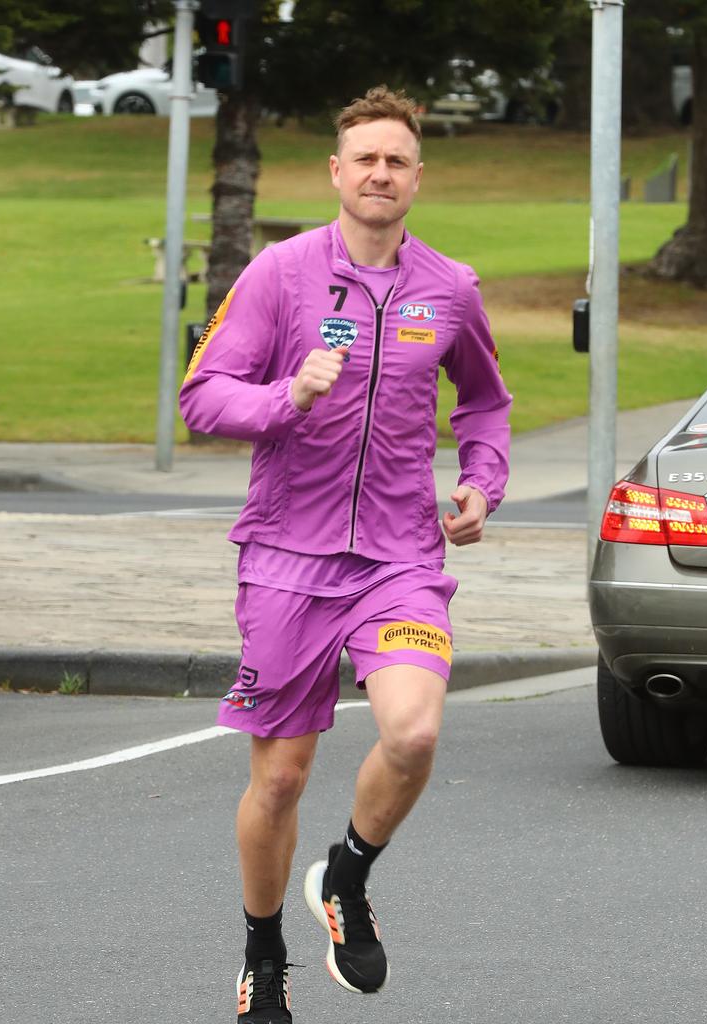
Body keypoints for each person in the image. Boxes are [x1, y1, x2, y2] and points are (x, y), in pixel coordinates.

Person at [179, 85, 511, 1023]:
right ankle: (263, 955)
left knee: (412, 732)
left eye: (397, 161)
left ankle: (349, 875)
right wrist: (288, 396)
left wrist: (483, 480)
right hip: (286, 558)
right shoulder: (280, 274)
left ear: (417, 177)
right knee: (280, 779)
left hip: (401, 556)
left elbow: (486, 402)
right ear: (336, 171)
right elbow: (203, 396)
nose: (379, 173)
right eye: (364, 158)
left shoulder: (449, 288)